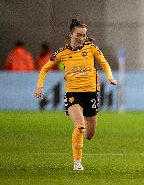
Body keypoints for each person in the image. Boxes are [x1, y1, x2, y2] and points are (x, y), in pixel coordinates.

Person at [34, 19, 117, 171]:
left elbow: (104, 62)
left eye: (83, 35)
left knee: (90, 134)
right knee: (80, 126)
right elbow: (45, 68)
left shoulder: (91, 48)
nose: (81, 38)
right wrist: (39, 86)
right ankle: (77, 163)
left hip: (91, 94)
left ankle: (84, 128)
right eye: (78, 34)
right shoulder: (62, 53)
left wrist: (110, 76)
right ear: (71, 34)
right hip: (73, 94)